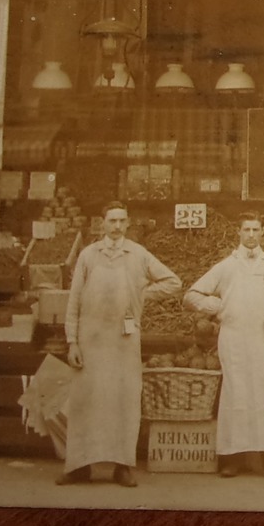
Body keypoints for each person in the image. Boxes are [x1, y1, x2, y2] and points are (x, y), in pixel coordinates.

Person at [57, 202, 181, 487]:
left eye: (121, 221)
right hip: (91, 341)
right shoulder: (88, 255)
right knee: (85, 403)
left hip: (124, 342)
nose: (116, 226)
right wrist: (72, 342)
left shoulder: (138, 254)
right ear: (102, 223)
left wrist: (141, 295)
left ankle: (122, 465)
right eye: (111, 220)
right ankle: (79, 466)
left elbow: (173, 281)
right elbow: (74, 301)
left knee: (123, 401)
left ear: (128, 224)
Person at [185, 212, 264, 481]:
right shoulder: (226, 266)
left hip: (263, 340)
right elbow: (191, 295)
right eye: (246, 230)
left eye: (255, 230)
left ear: (262, 233)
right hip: (234, 339)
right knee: (235, 395)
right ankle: (231, 459)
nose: (251, 235)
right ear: (238, 233)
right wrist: (213, 306)